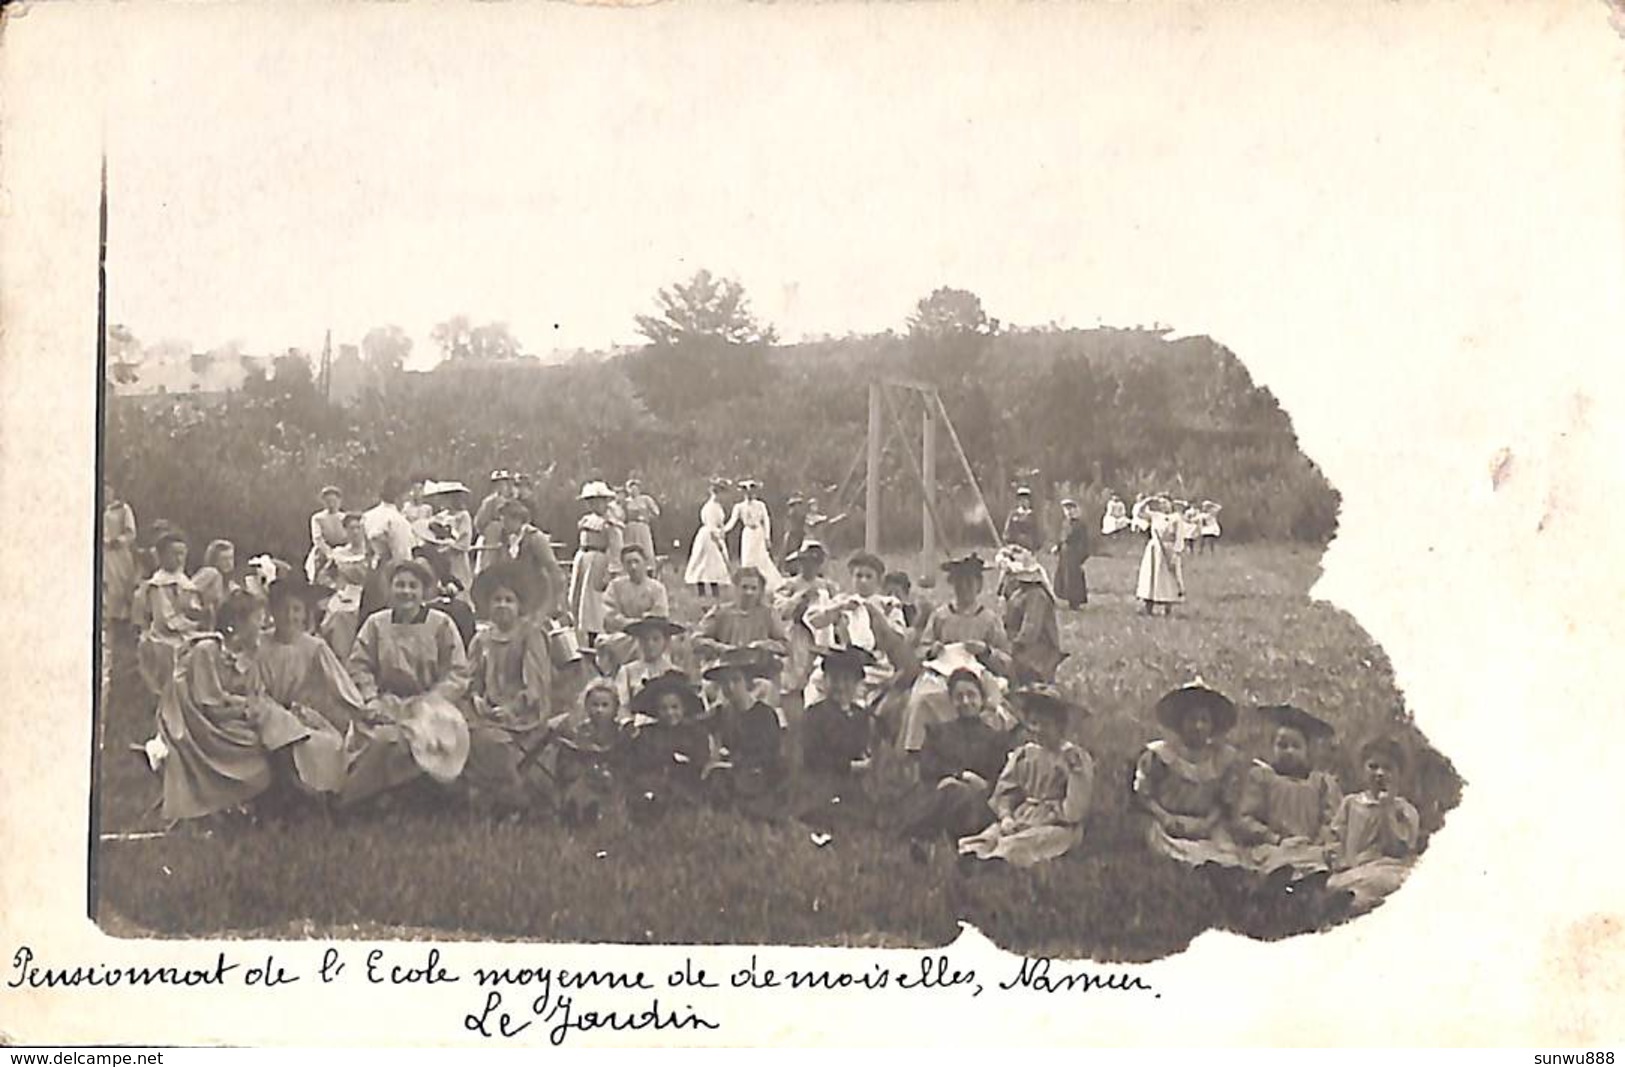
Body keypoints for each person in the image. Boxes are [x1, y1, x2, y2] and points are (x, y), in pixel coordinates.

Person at [151, 590, 345, 822]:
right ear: (236, 624)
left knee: (273, 722)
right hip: (203, 726)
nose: (263, 627)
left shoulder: (249, 655)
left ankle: (293, 785)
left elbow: (255, 693)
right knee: (265, 730)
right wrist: (247, 706)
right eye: (258, 621)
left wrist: (253, 705)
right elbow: (209, 703)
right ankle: (289, 787)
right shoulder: (207, 651)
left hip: (231, 718)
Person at [341, 557, 473, 808]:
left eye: (413, 586)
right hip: (386, 702)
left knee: (427, 735)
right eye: (399, 585)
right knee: (381, 738)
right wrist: (371, 697)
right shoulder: (376, 624)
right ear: (390, 589)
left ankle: (420, 796)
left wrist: (432, 701)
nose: (406, 592)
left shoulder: (441, 624)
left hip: (431, 704)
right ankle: (366, 798)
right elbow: (359, 665)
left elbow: (457, 672)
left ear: (424, 591)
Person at [958, 684, 1094, 869]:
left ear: (1060, 726)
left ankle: (998, 861)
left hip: (1058, 824)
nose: (1037, 730)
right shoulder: (1025, 754)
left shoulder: (1073, 758)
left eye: (1044, 724)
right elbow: (1006, 791)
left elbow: (1075, 808)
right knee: (992, 835)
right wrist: (1007, 817)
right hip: (1023, 816)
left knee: (1025, 841)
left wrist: (1045, 818)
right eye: (1033, 723)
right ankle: (976, 856)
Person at [893, 667, 1020, 851]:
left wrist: (983, 785)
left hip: (980, 800)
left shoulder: (996, 739)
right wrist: (958, 776)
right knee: (950, 790)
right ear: (952, 701)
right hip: (942, 791)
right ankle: (935, 839)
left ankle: (922, 837)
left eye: (971, 695)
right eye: (959, 696)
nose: (965, 701)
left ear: (982, 699)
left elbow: (1004, 777)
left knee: (959, 796)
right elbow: (928, 767)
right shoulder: (938, 732)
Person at [1133, 681, 1248, 867]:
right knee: (1162, 844)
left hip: (1206, 824)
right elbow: (1144, 795)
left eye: (1204, 720)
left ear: (1213, 725)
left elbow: (1225, 802)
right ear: (1180, 723)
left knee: (1227, 852)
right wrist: (1165, 817)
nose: (1198, 726)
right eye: (1192, 720)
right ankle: (1187, 862)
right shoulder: (1161, 755)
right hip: (1168, 821)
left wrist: (1207, 823)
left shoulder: (1223, 758)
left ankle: (1217, 867)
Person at [1232, 704, 1343, 877]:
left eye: (1296, 746)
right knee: (1274, 864)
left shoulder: (1321, 782)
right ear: (1272, 748)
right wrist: (1273, 838)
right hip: (1273, 846)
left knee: (1319, 863)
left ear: (1307, 750)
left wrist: (1318, 841)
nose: (1289, 751)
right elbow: (1245, 818)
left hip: (1311, 847)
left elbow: (1332, 821)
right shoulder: (1262, 777)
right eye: (1282, 745)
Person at [255, 576, 367, 739]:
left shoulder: (315, 647)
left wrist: (361, 709)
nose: (289, 616)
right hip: (266, 715)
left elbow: (340, 684)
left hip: (301, 717)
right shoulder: (259, 643)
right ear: (272, 611)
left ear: (304, 614)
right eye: (283, 609)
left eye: (296, 610)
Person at [1327, 736, 1422, 914]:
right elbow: (1335, 838)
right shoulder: (1350, 803)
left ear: (1399, 775)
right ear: (1362, 770)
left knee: (1394, 881)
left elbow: (1399, 849)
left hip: (1389, 869)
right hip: (1354, 869)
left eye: (1388, 768)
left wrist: (1387, 810)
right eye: (1373, 766)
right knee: (1333, 883)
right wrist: (1339, 860)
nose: (1379, 773)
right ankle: (1358, 901)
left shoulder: (1405, 810)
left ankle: (1359, 902)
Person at [797, 646, 879, 831]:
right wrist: (849, 766)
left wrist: (866, 759)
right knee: (827, 811)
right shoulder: (815, 715)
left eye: (846, 680)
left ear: (856, 684)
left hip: (852, 784)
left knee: (869, 813)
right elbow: (812, 758)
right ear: (825, 681)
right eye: (834, 679)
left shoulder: (861, 716)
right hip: (822, 781)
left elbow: (862, 749)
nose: (840, 686)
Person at [466, 561, 553, 734]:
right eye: (497, 600)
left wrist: (512, 708)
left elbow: (536, 687)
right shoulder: (481, 639)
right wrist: (476, 698)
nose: (502, 605)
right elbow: (472, 680)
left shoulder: (530, 636)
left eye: (509, 600)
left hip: (523, 716)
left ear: (519, 606)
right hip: (486, 713)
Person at [703, 647, 788, 818]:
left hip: (758, 772)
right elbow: (701, 732)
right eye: (725, 682)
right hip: (728, 772)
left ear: (748, 682)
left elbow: (769, 754)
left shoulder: (765, 714)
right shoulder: (719, 713)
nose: (730, 687)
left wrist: (734, 763)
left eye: (736, 680)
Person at [620, 669, 713, 815]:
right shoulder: (647, 733)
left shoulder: (695, 733)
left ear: (684, 708)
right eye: (664, 708)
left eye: (675, 707)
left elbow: (700, 762)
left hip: (685, 784)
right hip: (653, 783)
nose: (670, 713)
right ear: (656, 711)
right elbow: (639, 763)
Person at [537, 678, 623, 825]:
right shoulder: (582, 730)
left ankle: (596, 813)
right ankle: (575, 811)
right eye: (594, 705)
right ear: (587, 707)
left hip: (611, 772)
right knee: (578, 780)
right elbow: (577, 749)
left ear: (615, 708)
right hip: (586, 772)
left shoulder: (618, 731)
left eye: (605, 705)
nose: (599, 710)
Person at [135, 531, 207, 697]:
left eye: (182, 554)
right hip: (165, 634)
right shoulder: (158, 585)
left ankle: (201, 695)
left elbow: (192, 608)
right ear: (161, 556)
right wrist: (193, 623)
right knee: (179, 652)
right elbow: (164, 619)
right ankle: (176, 697)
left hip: (185, 630)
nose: (179, 558)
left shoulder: (183, 581)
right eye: (174, 554)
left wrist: (200, 614)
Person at [595, 543, 672, 674]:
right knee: (605, 642)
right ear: (623, 565)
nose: (633, 567)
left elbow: (660, 614)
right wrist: (628, 623)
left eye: (636, 561)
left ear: (645, 562)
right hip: (623, 634)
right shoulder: (615, 586)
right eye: (628, 563)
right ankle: (612, 675)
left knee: (645, 642)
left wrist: (643, 623)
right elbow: (609, 615)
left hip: (648, 633)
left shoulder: (657, 588)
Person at [492, 499, 567, 619]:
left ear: (517, 519)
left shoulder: (535, 538)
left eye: (506, 521)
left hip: (537, 593)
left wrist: (556, 601)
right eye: (502, 521)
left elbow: (553, 568)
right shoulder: (506, 539)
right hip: (518, 594)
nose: (503, 525)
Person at [361, 476, 419, 620]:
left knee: (370, 612)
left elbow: (366, 549)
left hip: (372, 572)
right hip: (390, 573)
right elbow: (403, 557)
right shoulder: (397, 521)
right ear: (399, 497)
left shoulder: (368, 516)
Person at [569, 481, 619, 647]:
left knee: (593, 602)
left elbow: (616, 549)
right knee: (576, 599)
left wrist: (611, 572)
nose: (594, 505)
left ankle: (595, 640)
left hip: (598, 561)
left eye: (598, 501)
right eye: (590, 501)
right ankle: (579, 637)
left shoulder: (610, 523)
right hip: (583, 558)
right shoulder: (586, 520)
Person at [1002, 551, 1064, 685]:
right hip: (1019, 647)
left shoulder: (1037, 596)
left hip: (1038, 651)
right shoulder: (1018, 594)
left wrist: (1012, 647)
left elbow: (1030, 630)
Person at [320, 512, 372, 660]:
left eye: (358, 528)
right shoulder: (339, 553)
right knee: (339, 614)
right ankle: (342, 657)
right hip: (345, 593)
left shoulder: (370, 553)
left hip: (367, 592)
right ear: (345, 531)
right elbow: (324, 576)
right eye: (351, 528)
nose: (355, 532)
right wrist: (336, 587)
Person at [611, 616, 684, 712]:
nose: (650, 644)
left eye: (656, 639)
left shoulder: (675, 673)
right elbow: (622, 705)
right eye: (645, 639)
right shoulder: (627, 672)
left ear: (666, 642)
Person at [724, 479, 784, 591]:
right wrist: (721, 530)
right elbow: (732, 522)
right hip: (748, 534)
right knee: (748, 559)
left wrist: (767, 537)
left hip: (758, 534)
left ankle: (767, 584)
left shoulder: (760, 505)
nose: (749, 495)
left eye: (751, 492)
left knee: (761, 558)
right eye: (747, 493)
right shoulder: (739, 507)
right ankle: (748, 585)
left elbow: (766, 521)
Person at [418, 481, 475, 596]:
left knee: (459, 587)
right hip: (440, 559)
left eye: (446, 497)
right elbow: (429, 535)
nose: (442, 500)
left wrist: (448, 547)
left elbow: (464, 542)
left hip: (456, 559)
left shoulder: (463, 516)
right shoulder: (440, 516)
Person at [1133, 494, 1185, 616]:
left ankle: (1167, 607)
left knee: (1167, 578)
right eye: (1161, 503)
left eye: (1166, 502)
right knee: (1151, 576)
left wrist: (1175, 553)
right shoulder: (1155, 516)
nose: (1163, 505)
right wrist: (1147, 501)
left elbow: (1179, 537)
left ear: (1171, 504)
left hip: (1168, 549)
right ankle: (1148, 605)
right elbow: (1138, 513)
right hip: (1154, 549)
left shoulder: (1176, 518)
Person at [683, 478, 734, 599]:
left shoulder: (717, 506)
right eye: (722, 493)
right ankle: (703, 593)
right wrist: (718, 542)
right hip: (709, 537)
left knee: (714, 565)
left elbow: (719, 523)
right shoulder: (710, 507)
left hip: (715, 534)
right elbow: (711, 526)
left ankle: (715, 593)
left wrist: (722, 533)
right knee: (705, 563)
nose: (724, 496)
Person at [102, 482, 139, 632]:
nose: (105, 494)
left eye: (107, 490)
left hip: (118, 553)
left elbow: (130, 532)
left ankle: (120, 623)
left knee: (119, 588)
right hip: (102, 553)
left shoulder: (122, 509)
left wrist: (118, 540)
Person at [472, 470, 518, 575]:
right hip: (492, 536)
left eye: (505, 482)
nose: (503, 486)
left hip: (508, 535)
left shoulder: (512, 502)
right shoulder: (489, 502)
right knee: (489, 563)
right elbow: (479, 521)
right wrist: (490, 529)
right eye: (499, 483)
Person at [191, 539, 239, 630]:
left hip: (218, 625)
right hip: (199, 621)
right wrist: (196, 607)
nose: (229, 563)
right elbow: (189, 590)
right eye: (224, 559)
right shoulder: (210, 573)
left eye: (231, 558)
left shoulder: (231, 586)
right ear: (215, 560)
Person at [304, 485, 348, 584]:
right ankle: (315, 584)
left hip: (344, 549)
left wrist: (345, 550)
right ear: (323, 502)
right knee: (318, 567)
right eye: (328, 501)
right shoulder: (318, 518)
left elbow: (350, 535)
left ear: (339, 501)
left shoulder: (345, 517)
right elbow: (317, 538)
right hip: (325, 550)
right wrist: (329, 553)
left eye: (334, 501)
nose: (331, 504)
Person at [1054, 498, 1090, 610]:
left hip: (1074, 553)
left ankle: (1075, 602)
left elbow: (1084, 542)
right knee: (1063, 576)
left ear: (1075, 510)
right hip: (1064, 553)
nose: (1068, 512)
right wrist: (1058, 546)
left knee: (1074, 578)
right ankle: (1065, 596)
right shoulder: (1065, 523)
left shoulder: (1080, 525)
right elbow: (1062, 537)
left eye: (1071, 509)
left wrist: (1081, 557)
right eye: (1066, 510)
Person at [622, 477, 662, 567]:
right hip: (630, 527)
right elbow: (622, 515)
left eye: (635, 488)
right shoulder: (626, 502)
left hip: (642, 526)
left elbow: (656, 512)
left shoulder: (645, 499)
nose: (633, 491)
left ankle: (648, 566)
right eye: (631, 488)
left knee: (645, 547)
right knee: (630, 546)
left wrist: (646, 517)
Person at [1002, 486, 1040, 552]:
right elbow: (1007, 531)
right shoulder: (1013, 514)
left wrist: (1034, 546)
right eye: (1021, 499)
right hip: (1014, 547)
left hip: (1028, 548)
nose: (1023, 501)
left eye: (1026, 499)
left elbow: (1036, 533)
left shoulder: (1033, 516)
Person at [779, 496, 809, 565]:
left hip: (797, 533)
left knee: (795, 551)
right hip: (792, 533)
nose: (799, 506)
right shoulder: (792, 512)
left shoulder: (798, 513)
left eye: (799, 504)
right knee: (789, 551)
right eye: (797, 504)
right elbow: (789, 524)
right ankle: (784, 567)